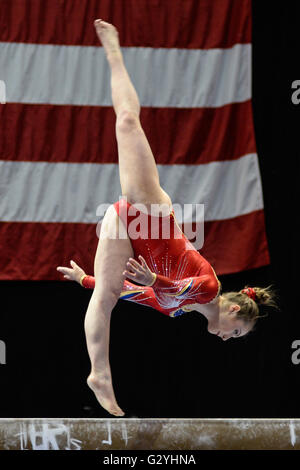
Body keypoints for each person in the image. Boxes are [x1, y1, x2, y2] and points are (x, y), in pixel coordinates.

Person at [57, 20, 277, 417]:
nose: (230, 339)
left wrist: (85, 279)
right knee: (126, 120)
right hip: (153, 216)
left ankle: (99, 374)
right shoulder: (209, 287)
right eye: (237, 332)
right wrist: (155, 280)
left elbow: (135, 293)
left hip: (129, 235)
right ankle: (113, 52)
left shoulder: (177, 310)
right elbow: (181, 284)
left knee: (104, 295)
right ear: (232, 311)